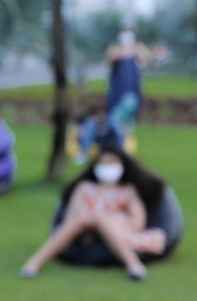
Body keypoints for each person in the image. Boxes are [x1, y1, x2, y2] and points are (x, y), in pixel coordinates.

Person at [21, 144, 166, 280]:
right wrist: (91, 219)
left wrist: (108, 220)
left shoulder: (128, 191)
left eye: (112, 164)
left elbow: (137, 222)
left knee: (103, 220)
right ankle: (34, 263)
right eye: (103, 164)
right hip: (84, 228)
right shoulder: (85, 187)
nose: (108, 168)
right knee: (82, 218)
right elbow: (70, 216)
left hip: (116, 228)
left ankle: (134, 265)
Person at [75, 28, 153, 164]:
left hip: (130, 95)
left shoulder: (137, 51)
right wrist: (125, 49)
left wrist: (136, 47)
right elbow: (110, 57)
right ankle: (117, 154)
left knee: (113, 121)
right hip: (115, 97)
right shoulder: (116, 50)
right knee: (118, 126)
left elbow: (148, 58)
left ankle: (120, 154)